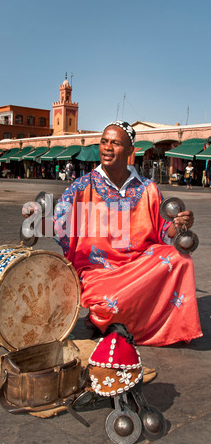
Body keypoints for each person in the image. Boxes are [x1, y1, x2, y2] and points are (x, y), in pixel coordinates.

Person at [22, 121, 202, 347]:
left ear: (129, 151)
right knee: (108, 303)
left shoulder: (148, 189)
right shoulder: (82, 186)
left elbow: (166, 232)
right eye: (104, 142)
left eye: (115, 143)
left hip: (140, 265)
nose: (107, 147)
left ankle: (144, 324)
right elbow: (59, 224)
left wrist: (180, 224)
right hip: (99, 270)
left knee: (181, 260)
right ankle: (112, 318)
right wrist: (36, 219)